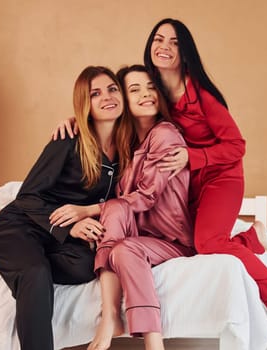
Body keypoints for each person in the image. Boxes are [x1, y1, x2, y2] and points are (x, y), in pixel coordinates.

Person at [143, 18, 267, 344]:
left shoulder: (201, 94)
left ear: (185, 53)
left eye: (174, 42)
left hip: (222, 177)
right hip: (189, 186)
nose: (164, 47)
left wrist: (192, 158)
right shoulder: (150, 90)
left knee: (208, 243)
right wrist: (75, 119)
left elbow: (236, 146)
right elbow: (118, 102)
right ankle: (254, 237)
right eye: (159, 39)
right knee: (193, 248)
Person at [0, 66, 132, 350]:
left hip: (57, 238)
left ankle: (9, 264)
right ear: (85, 104)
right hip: (21, 225)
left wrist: (87, 215)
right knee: (36, 273)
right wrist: (71, 226)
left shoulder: (130, 147)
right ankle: (20, 266)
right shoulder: (67, 141)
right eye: (95, 94)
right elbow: (27, 196)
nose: (107, 97)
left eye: (112, 89)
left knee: (88, 266)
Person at [66, 65, 193, 350]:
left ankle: (150, 342)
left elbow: (147, 196)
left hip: (173, 240)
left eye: (150, 87)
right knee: (123, 245)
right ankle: (113, 316)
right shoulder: (128, 142)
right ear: (123, 98)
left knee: (114, 209)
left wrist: (88, 210)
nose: (146, 94)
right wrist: (76, 120)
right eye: (134, 89)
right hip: (137, 240)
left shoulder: (166, 134)